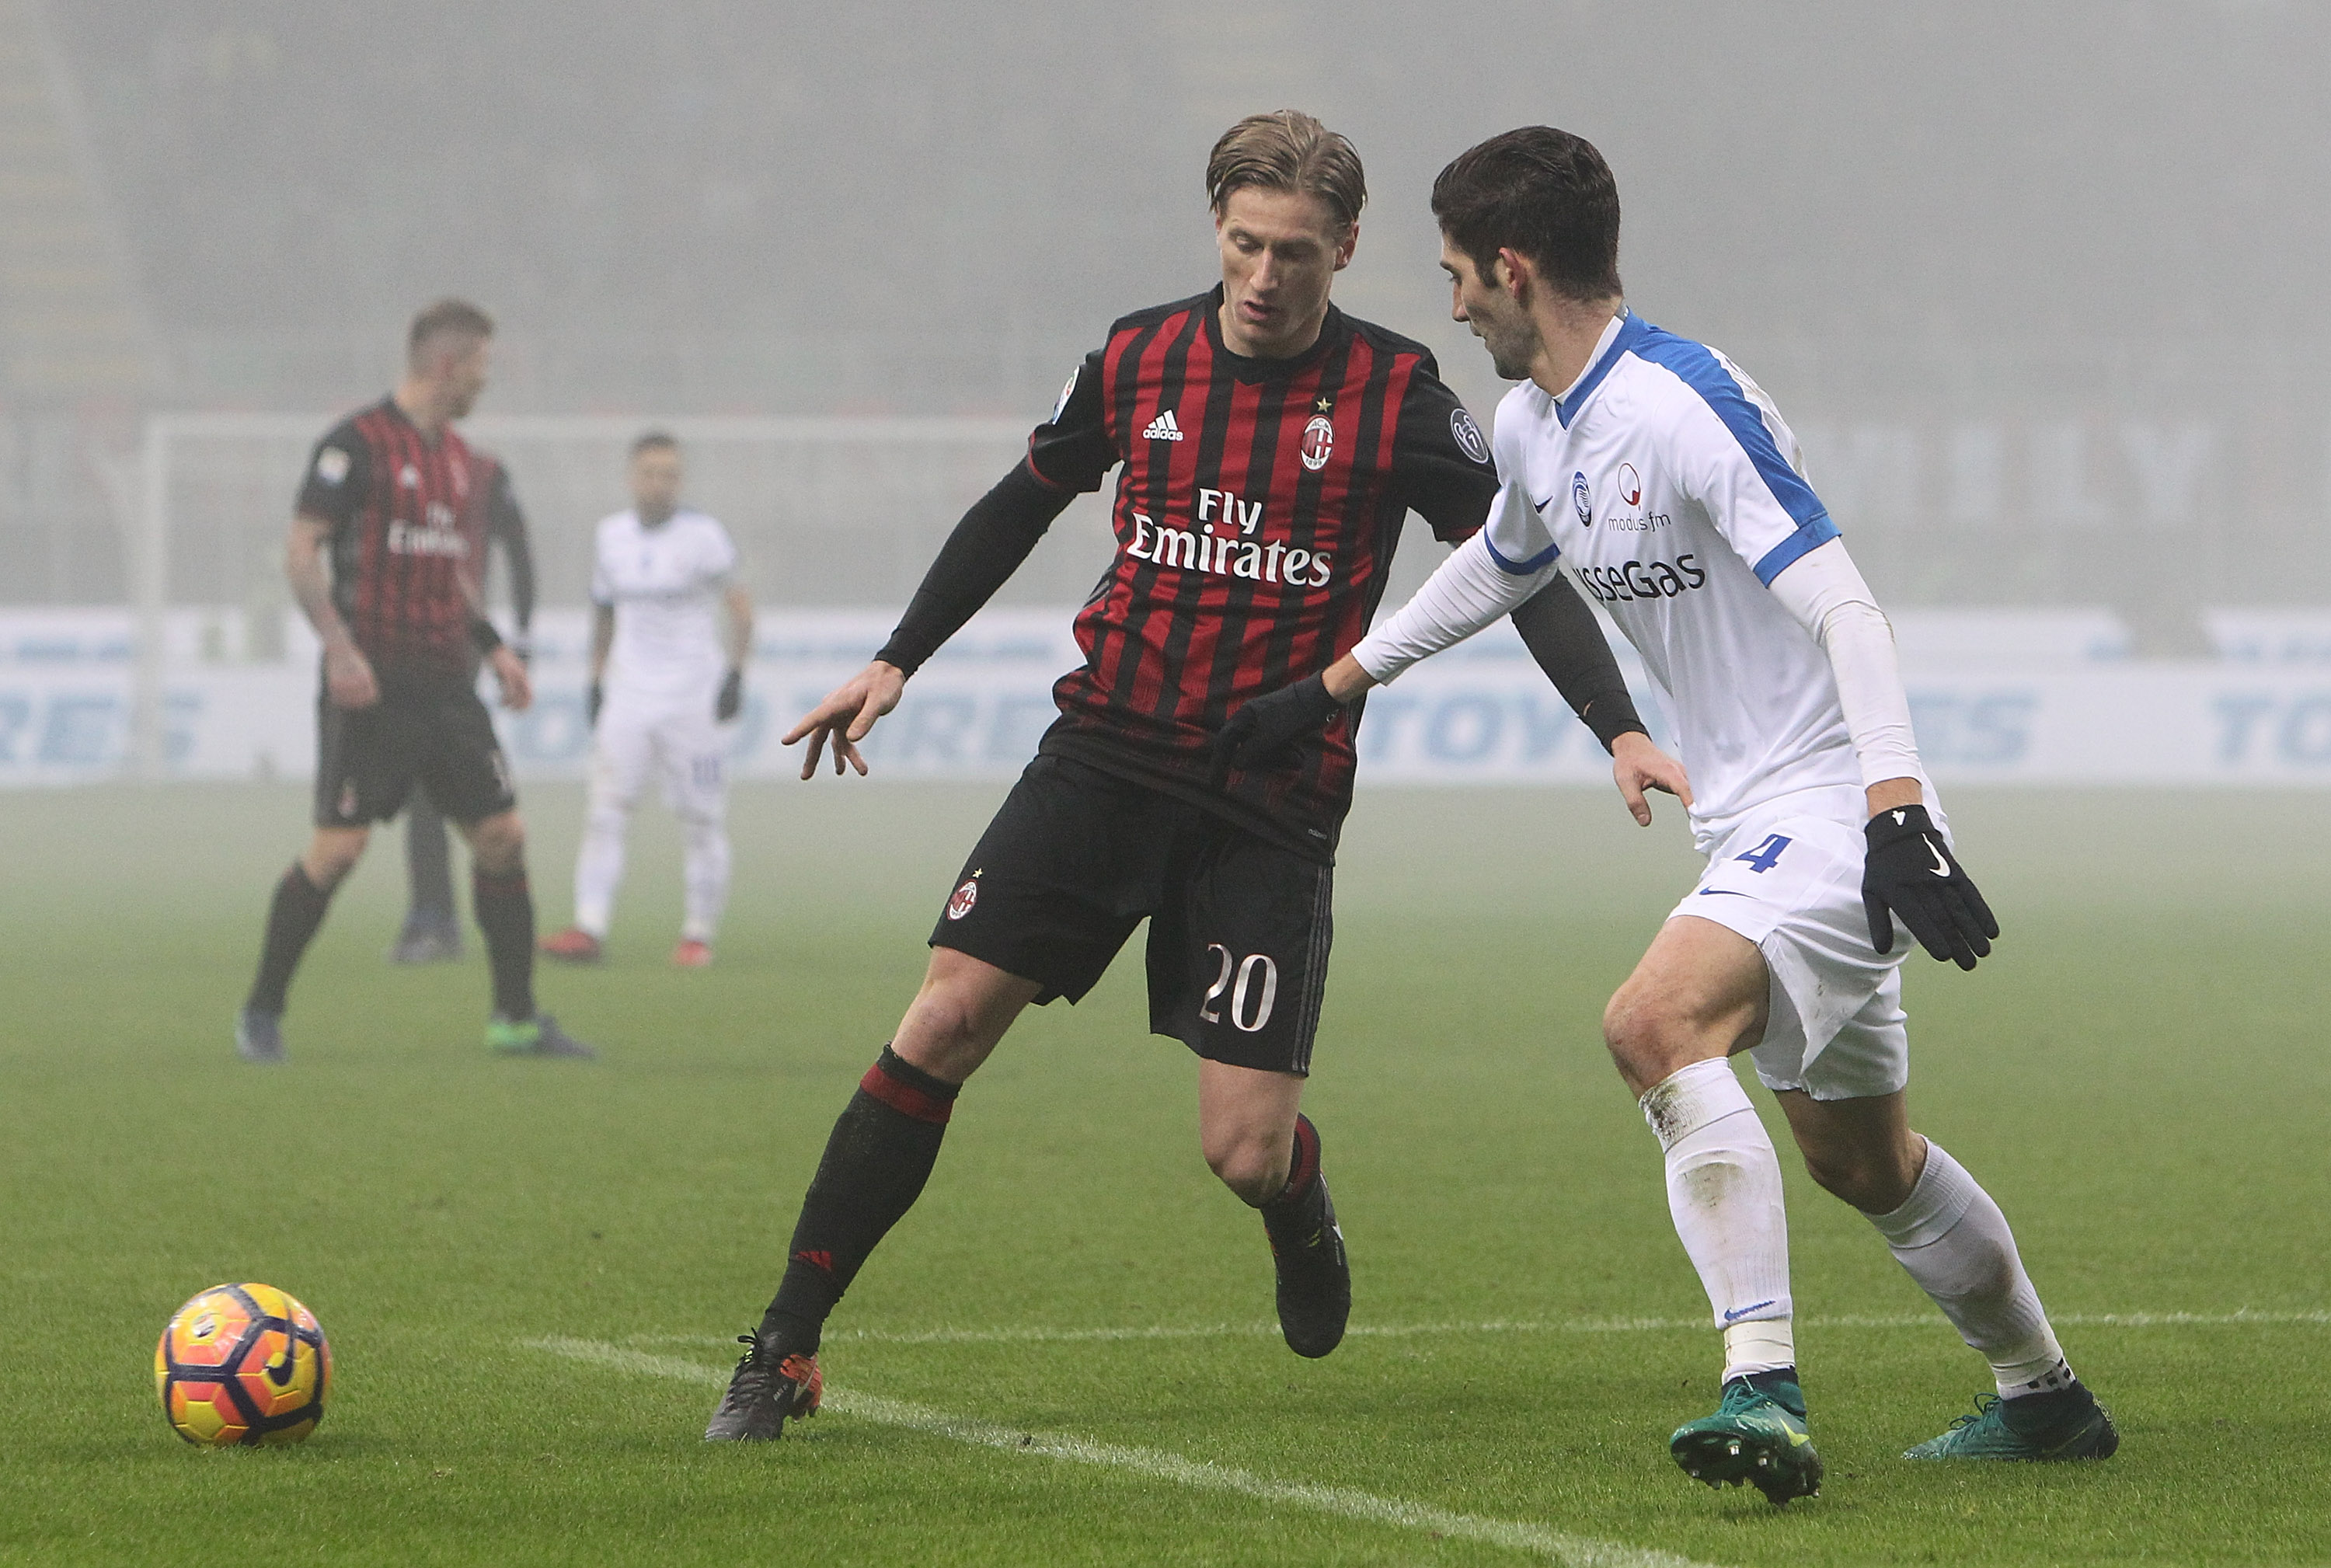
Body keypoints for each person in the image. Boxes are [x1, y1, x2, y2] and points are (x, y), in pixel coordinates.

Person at [702, 111, 1665, 1441]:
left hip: (1271, 791)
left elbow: (1515, 563)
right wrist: (896, 657)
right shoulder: (1138, 355)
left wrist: (1614, 722)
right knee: (940, 1020)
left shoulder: (1400, 396)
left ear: (1347, 248)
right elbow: (1021, 499)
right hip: (1102, 752)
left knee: (1241, 1149)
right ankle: (785, 1345)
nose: (1267, 280)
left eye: (1298, 256)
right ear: (1216, 228)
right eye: (1245, 247)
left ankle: (1297, 1199)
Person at [1229, 127, 2115, 1501]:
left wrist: (1894, 810)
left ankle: (1758, 1380)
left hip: (1831, 804)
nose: (1453, 303)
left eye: (1462, 276)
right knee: (1863, 1159)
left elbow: (1844, 603)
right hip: (1760, 817)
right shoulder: (1537, 424)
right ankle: (2044, 1398)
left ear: (1515, 270)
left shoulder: (1684, 406)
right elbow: (1503, 568)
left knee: (1652, 1020)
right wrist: (1337, 683)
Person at [232, 298, 593, 1064]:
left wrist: (494, 646)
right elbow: (301, 552)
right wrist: (337, 647)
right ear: (445, 365)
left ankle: (517, 1019)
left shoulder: (463, 461)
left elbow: (453, 572)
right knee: (337, 850)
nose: (484, 384)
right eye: (481, 369)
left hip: (449, 686)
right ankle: (262, 1011)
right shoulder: (354, 444)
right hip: (372, 683)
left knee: (502, 836)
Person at [540, 432, 753, 967]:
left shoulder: (704, 536)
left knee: (702, 818)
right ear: (631, 477)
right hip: (629, 698)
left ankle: (698, 934)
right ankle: (589, 927)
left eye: (670, 474)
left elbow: (740, 607)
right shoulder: (610, 536)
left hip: (692, 701)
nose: (659, 483)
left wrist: (734, 674)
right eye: (650, 472)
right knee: (605, 812)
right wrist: (595, 679)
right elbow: (604, 611)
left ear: (680, 480)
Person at [388, 448, 535, 965]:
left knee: (435, 787)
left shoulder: (485, 474)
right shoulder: (399, 473)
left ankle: (435, 918)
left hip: (455, 648)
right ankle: (436, 915)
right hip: (408, 646)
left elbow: (519, 552)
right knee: (427, 786)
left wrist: (517, 636)